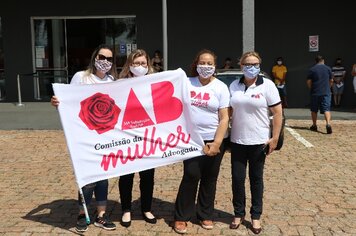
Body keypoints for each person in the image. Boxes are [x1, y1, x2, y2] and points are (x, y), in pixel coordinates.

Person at [50, 44, 118, 232]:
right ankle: (83, 213)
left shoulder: (112, 80)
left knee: (104, 176)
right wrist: (58, 103)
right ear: (95, 57)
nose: (105, 61)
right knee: (87, 177)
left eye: (109, 59)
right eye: (102, 57)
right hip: (84, 136)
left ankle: (101, 215)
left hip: (105, 136)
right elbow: (68, 101)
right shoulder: (81, 77)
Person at [173, 49, 230, 234]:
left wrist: (217, 142)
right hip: (191, 139)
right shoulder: (187, 83)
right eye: (202, 63)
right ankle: (181, 216)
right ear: (196, 64)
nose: (205, 66)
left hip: (214, 138)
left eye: (209, 64)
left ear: (215, 66)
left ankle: (205, 214)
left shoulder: (221, 87)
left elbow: (224, 118)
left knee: (209, 178)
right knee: (191, 175)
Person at [229, 51, 283, 235]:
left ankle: (256, 216)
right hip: (237, 140)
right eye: (248, 64)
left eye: (255, 64)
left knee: (256, 179)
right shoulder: (234, 85)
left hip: (259, 141)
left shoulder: (267, 85)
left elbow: (277, 113)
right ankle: (238, 213)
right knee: (237, 179)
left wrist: (274, 138)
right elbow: (227, 112)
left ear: (259, 65)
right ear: (241, 66)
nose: (252, 67)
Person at [117, 49, 157, 228]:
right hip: (126, 137)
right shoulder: (119, 84)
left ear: (148, 65)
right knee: (126, 176)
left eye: (143, 63)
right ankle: (126, 209)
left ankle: (146, 208)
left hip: (148, 137)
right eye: (136, 63)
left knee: (147, 176)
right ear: (129, 65)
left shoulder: (155, 83)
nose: (140, 67)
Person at [307, 55, 333, 134]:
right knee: (326, 109)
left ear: (316, 61)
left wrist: (311, 88)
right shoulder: (328, 68)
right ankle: (328, 124)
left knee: (314, 110)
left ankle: (314, 125)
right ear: (323, 61)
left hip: (315, 92)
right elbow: (331, 80)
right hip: (326, 92)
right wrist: (328, 88)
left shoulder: (312, 69)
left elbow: (308, 82)